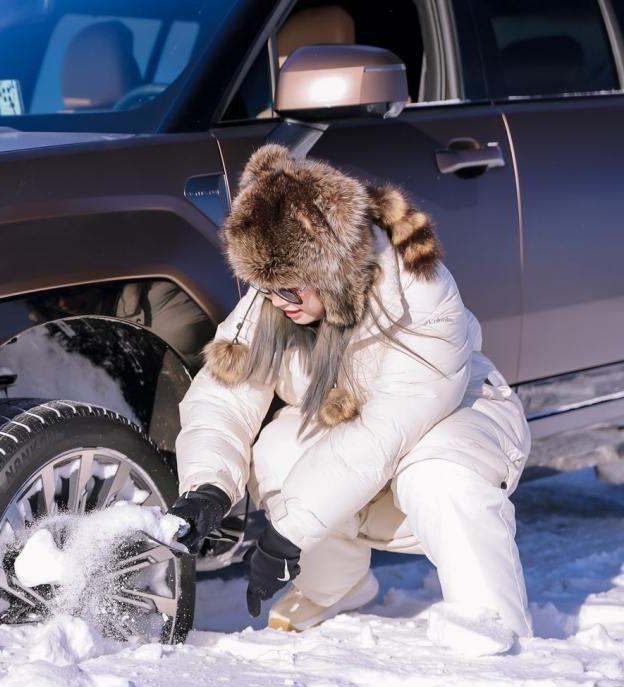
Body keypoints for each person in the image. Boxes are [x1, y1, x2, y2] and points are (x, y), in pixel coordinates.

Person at [169, 144, 533, 644]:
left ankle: (494, 626)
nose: (278, 303)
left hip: (453, 419)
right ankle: (335, 588)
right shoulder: (278, 296)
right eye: (265, 287)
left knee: (441, 473)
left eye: (291, 290)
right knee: (278, 449)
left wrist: (288, 535)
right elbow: (223, 396)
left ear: (331, 269)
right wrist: (207, 487)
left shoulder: (419, 295)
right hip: (361, 446)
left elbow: (384, 430)